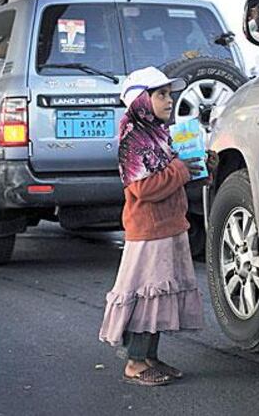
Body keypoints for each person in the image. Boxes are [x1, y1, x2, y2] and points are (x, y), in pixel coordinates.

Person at [99, 66, 217, 386]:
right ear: (140, 99)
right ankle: (135, 363)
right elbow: (144, 189)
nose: (169, 100)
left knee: (158, 295)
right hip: (149, 230)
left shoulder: (158, 133)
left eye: (169, 94)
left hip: (167, 225)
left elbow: (175, 172)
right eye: (161, 94)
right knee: (144, 294)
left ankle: (149, 357)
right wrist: (180, 170)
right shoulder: (133, 138)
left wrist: (199, 164)